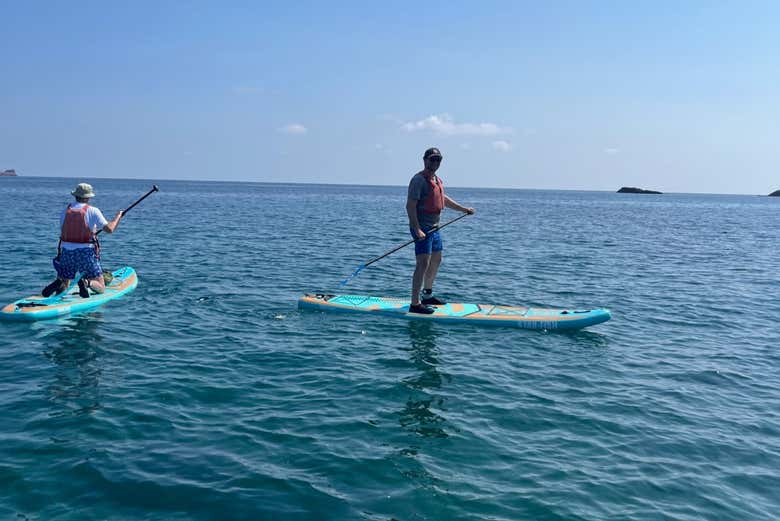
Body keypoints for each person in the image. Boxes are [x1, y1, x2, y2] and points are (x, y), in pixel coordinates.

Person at [406, 147, 475, 314]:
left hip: (436, 228)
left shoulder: (436, 179)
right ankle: (415, 304)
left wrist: (463, 209)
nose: (435, 163)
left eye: (438, 160)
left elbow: (442, 198)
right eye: (432, 159)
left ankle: (427, 295)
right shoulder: (418, 180)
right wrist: (417, 229)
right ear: (425, 160)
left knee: (436, 260)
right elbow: (410, 206)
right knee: (422, 264)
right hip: (423, 229)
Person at [41, 183, 123, 298]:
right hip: (85, 253)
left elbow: (67, 231)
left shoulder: (65, 210)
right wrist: (118, 217)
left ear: (75, 196)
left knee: (65, 280)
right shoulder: (93, 210)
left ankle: (60, 283)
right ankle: (86, 282)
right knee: (101, 286)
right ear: (88, 197)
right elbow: (110, 229)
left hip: (67, 253)